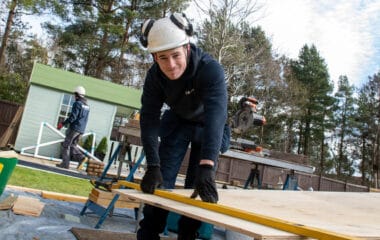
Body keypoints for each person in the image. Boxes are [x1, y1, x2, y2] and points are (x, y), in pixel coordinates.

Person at [137, 13, 228, 240]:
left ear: (187, 47)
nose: (171, 65)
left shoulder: (210, 69)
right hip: (178, 120)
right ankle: (148, 234)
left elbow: (217, 116)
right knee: (162, 181)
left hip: (208, 122)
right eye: (162, 58)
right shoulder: (154, 77)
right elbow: (149, 118)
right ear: (154, 57)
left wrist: (207, 165)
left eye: (176, 55)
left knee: (197, 186)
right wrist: (152, 164)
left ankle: (187, 235)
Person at [56, 86, 90, 170]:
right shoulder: (87, 106)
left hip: (74, 128)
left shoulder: (77, 103)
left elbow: (73, 117)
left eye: (75, 95)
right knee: (72, 145)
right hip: (81, 130)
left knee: (66, 145)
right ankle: (81, 158)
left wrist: (63, 124)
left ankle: (65, 164)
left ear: (77, 95)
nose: (74, 97)